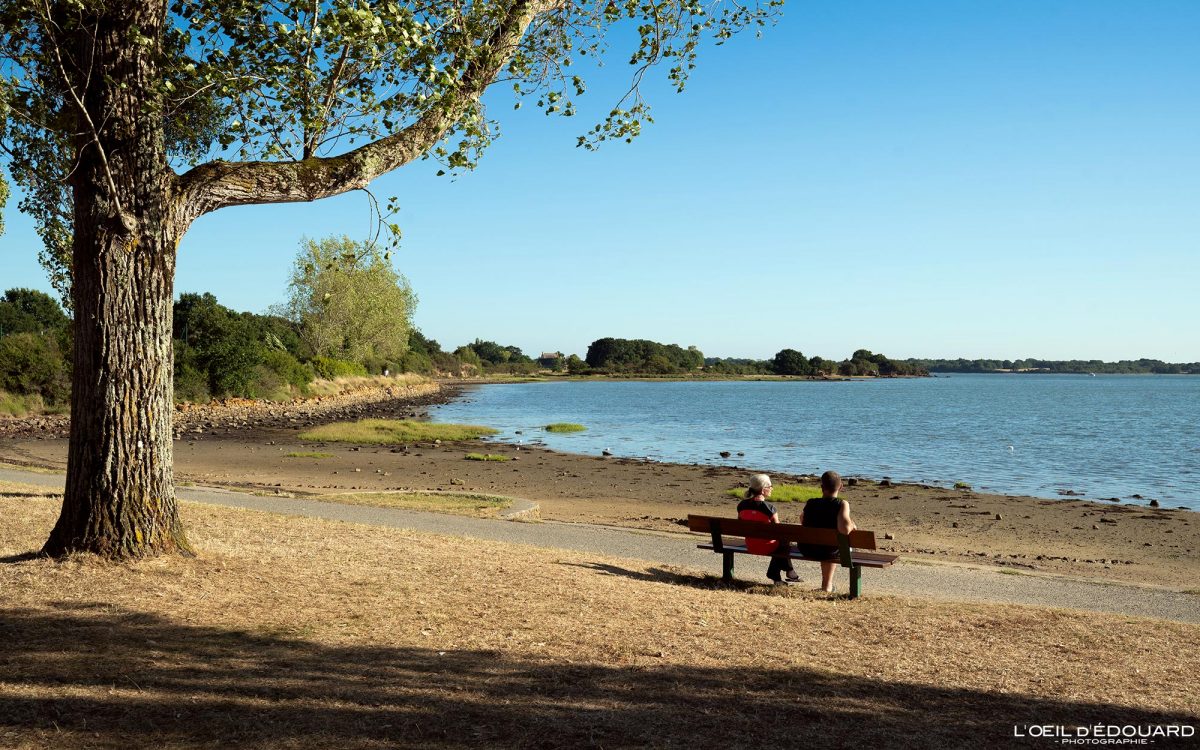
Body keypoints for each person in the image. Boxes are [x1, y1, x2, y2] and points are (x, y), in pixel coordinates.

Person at [737, 474, 801, 584]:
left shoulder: (742, 505)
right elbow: (779, 530)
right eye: (770, 486)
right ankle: (778, 575)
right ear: (763, 490)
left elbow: (740, 525)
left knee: (783, 543)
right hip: (767, 547)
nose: (772, 488)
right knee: (784, 543)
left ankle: (789, 572)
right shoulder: (769, 508)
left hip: (750, 544)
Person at [799, 470, 857, 593]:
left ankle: (826, 586)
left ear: (821, 487)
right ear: (841, 487)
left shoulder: (811, 502)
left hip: (807, 548)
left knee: (828, 544)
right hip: (828, 551)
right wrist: (852, 524)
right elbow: (845, 529)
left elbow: (802, 520)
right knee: (835, 545)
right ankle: (827, 585)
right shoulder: (841, 504)